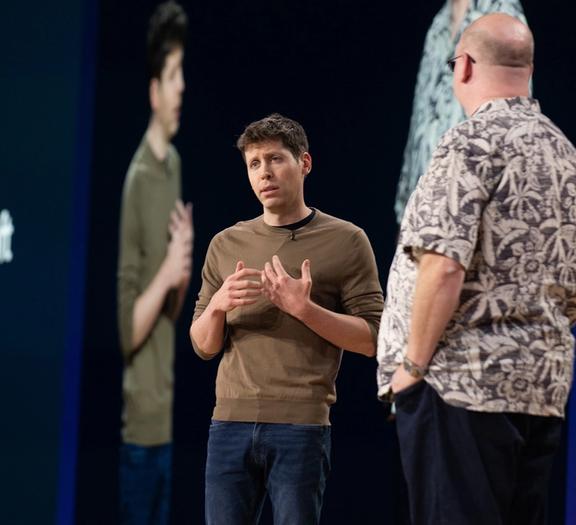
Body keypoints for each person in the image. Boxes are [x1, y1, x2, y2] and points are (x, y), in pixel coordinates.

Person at [377, 13, 576, 525]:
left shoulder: (470, 144)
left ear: (463, 66)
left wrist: (411, 369)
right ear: (528, 69)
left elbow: (443, 266)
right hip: (540, 391)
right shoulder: (565, 155)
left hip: (462, 389)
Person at [190, 113, 384, 525]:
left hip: (301, 426)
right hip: (228, 423)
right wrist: (219, 305)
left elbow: (373, 338)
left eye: (275, 159)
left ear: (304, 163)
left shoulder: (347, 240)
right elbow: (203, 346)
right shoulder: (226, 243)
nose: (264, 172)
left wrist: (304, 310)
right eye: (254, 163)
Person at [116, 2, 192, 523]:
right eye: (173, 76)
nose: (182, 87)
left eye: (183, 73)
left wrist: (181, 271)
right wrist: (168, 271)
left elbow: (169, 312)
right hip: (140, 431)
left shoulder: (174, 166)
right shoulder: (140, 179)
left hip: (168, 419)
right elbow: (127, 331)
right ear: (153, 91)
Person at [394, 0, 526, 223]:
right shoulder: (439, 24)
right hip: (427, 213)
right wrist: (406, 212)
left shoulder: (503, 18)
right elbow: (420, 124)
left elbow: (513, 131)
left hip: (473, 215)